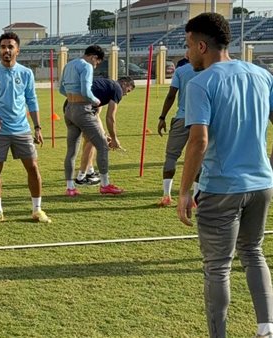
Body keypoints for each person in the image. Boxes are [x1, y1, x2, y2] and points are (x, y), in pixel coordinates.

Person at [177, 13, 273, 338]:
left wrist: (184, 191)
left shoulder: (200, 83)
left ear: (202, 46)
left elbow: (198, 141)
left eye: (188, 45)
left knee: (218, 266)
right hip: (262, 184)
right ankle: (266, 329)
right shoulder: (262, 75)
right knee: (254, 252)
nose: (186, 52)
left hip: (221, 189)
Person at [0, 32, 51, 225]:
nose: (6, 50)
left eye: (10, 47)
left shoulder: (26, 73)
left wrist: (38, 127)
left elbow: (32, 101)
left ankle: (37, 210)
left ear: (17, 49)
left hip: (22, 130)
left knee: (33, 168)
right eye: (3, 47)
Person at [60, 45, 124, 197]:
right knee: (102, 145)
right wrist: (95, 101)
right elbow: (86, 91)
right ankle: (105, 185)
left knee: (72, 150)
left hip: (69, 109)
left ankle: (70, 187)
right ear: (94, 57)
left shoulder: (69, 65)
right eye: (97, 63)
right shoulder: (86, 66)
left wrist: (72, 98)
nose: (95, 66)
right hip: (82, 109)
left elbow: (61, 89)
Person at [62, 77, 136, 188]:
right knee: (95, 142)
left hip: (69, 107)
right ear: (124, 84)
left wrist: (104, 134)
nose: (126, 94)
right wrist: (114, 138)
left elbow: (96, 115)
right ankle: (81, 178)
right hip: (81, 110)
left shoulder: (104, 88)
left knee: (86, 141)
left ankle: (88, 172)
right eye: (128, 90)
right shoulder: (117, 89)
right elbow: (110, 117)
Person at [156, 53, 200, 207]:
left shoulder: (181, 71)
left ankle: (166, 195)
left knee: (171, 156)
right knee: (200, 157)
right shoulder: (210, 69)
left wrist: (162, 117)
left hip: (182, 117)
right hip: (202, 120)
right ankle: (195, 197)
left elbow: (171, 95)